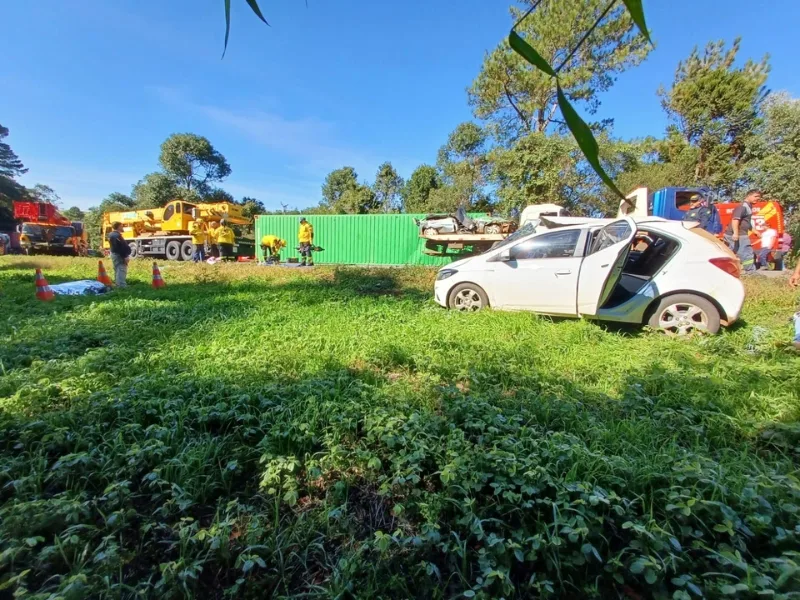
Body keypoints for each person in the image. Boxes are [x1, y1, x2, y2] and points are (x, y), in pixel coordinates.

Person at [724, 189, 761, 273]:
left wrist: (755, 231)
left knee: (731, 253)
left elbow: (746, 223)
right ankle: (751, 272)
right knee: (747, 253)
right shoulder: (742, 207)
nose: (757, 199)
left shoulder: (748, 207)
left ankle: (726, 271)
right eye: (755, 196)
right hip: (739, 235)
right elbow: (735, 220)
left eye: (759, 197)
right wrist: (736, 233)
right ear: (748, 196)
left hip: (739, 234)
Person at [107, 221, 131, 287]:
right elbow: (120, 247)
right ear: (119, 227)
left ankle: (118, 284)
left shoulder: (111, 234)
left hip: (115, 254)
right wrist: (125, 256)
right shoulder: (117, 235)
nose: (122, 227)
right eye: (121, 226)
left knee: (117, 269)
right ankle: (121, 285)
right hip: (119, 255)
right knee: (121, 269)